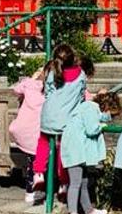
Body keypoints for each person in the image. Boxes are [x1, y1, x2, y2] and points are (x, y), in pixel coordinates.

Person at [61, 91, 121, 214]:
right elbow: (91, 129)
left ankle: (89, 212)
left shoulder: (89, 108)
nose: (109, 118)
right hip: (75, 149)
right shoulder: (91, 107)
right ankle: (73, 213)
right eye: (110, 114)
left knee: (83, 182)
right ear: (106, 107)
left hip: (77, 149)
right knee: (75, 182)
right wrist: (102, 126)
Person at [37, 43, 87, 190]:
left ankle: (38, 172)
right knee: (63, 149)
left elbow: (47, 92)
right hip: (66, 120)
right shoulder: (80, 74)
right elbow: (81, 95)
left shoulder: (52, 73)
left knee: (43, 141)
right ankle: (63, 181)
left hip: (47, 117)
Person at [8, 65, 46, 203]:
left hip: (22, 130)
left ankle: (30, 191)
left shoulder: (29, 85)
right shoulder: (49, 91)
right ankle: (37, 189)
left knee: (32, 162)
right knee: (39, 162)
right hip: (37, 133)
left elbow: (16, 89)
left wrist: (32, 78)